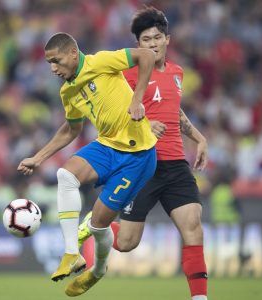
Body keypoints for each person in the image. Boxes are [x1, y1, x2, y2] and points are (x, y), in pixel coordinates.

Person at [78, 7, 209, 300]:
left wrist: (199, 138)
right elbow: (111, 112)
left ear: (167, 39)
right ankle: (97, 221)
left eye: (157, 37)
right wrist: (146, 124)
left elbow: (175, 111)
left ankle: (200, 298)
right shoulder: (125, 73)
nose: (152, 44)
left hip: (175, 164)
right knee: (125, 243)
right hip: (141, 163)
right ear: (138, 45)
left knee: (193, 228)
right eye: (146, 39)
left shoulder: (177, 73)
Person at [17, 32, 157, 296]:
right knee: (65, 175)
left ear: (73, 53)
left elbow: (147, 55)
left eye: (56, 61)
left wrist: (137, 98)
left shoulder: (101, 62)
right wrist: (38, 158)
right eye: (49, 63)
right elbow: (71, 130)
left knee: (97, 225)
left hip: (138, 154)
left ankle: (99, 270)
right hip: (107, 146)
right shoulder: (68, 90)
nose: (53, 68)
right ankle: (72, 253)